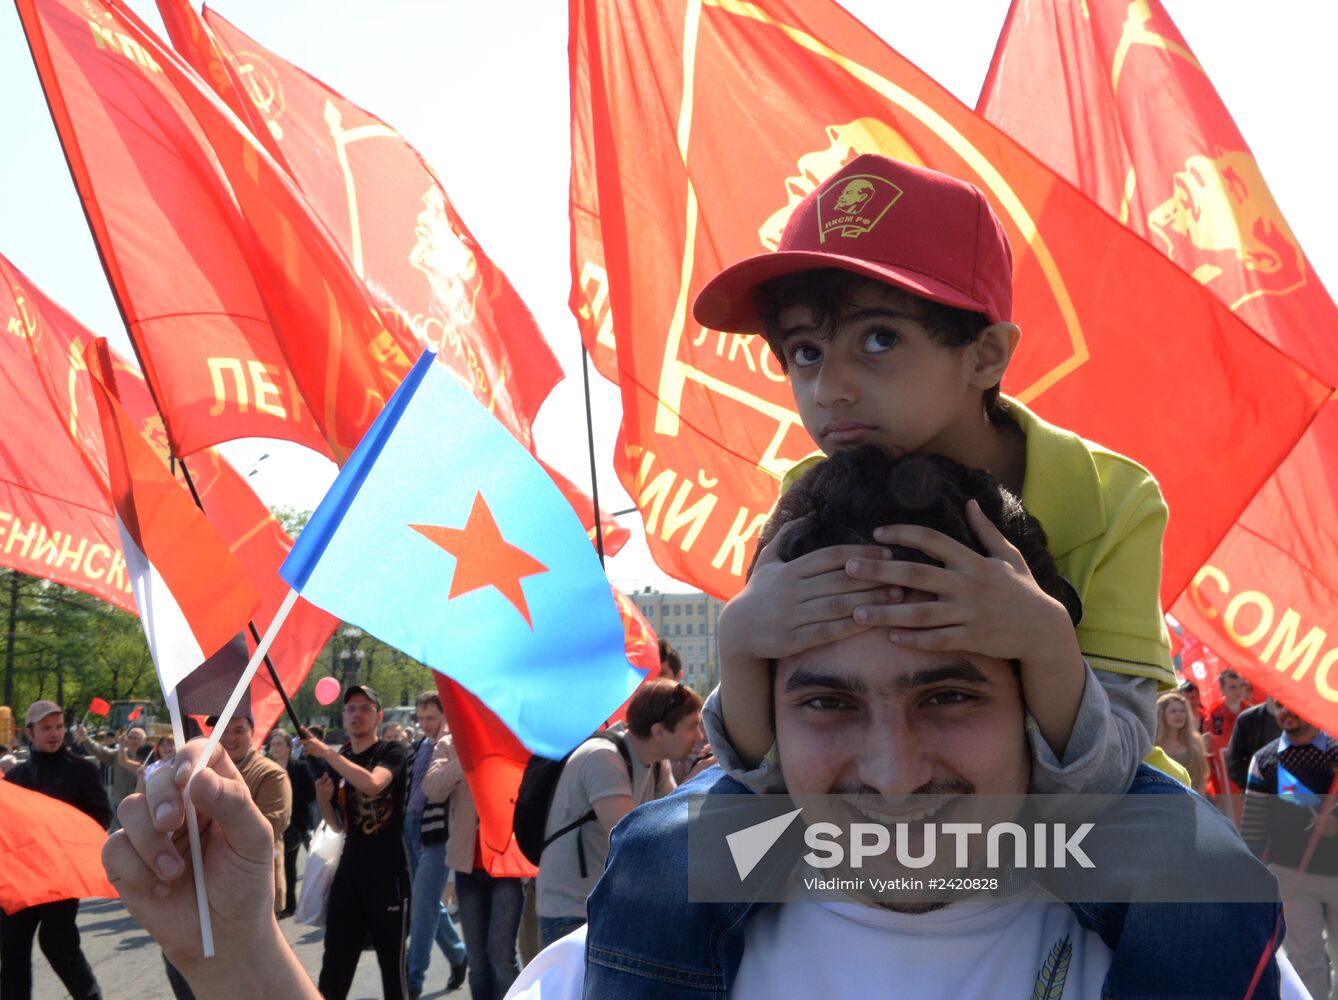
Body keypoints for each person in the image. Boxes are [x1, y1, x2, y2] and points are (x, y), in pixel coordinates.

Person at [508, 447, 1292, 998]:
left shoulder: (1218, 957)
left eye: (948, 698)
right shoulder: (602, 973)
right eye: (828, 703)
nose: (893, 772)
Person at [534, 679, 702, 947]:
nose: (700, 736)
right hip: (571, 912)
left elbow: (673, 828)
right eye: (692, 726)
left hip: (605, 904)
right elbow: (635, 842)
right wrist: (695, 783)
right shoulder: (602, 758)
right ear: (659, 731)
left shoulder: (657, 764)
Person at [303, 685, 410, 1000]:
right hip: (349, 875)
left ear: (377, 716)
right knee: (334, 965)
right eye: (350, 708)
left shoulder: (392, 751)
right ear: (343, 716)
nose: (357, 714)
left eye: (365, 708)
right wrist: (324, 802)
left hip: (388, 875)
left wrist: (325, 752)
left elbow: (374, 784)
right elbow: (339, 825)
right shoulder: (341, 758)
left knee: (393, 969)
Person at [2, 700, 111, 1000]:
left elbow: (102, 814)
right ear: (29, 733)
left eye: (59, 727)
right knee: (11, 947)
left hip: (59, 878)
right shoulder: (15, 778)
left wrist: (69, 840)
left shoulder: (83, 770)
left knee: (58, 943)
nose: (54, 733)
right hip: (22, 878)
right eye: (46, 728)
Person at [1242, 701, 1338, 1000]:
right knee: (1306, 966)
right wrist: (1252, 874)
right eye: (1278, 706)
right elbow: (1253, 823)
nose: (1285, 712)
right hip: (1292, 877)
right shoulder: (1265, 759)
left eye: (1291, 704)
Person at [423, 737, 525, 1000]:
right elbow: (432, 789)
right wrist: (466, 758)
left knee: (501, 954)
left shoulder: (510, 735)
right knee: (478, 963)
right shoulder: (449, 742)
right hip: (468, 865)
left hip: (506, 864)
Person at [404, 691, 468, 997]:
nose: (425, 723)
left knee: (422, 906)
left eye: (431, 717)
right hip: (411, 830)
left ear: (445, 716)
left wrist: (446, 733)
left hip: (438, 833)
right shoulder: (419, 747)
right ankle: (458, 954)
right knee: (429, 904)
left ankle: (412, 981)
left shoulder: (451, 745)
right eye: (421, 718)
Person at [266, 728, 315, 919]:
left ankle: (289, 904)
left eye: (279, 744)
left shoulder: (300, 767)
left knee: (288, 864)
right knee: (272, 865)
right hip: (272, 823)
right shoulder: (266, 768)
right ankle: (275, 902)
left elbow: (311, 793)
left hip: (295, 824)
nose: (275, 747)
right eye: (273, 744)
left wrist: (289, 800)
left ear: (288, 748)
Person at [1154, 692, 1209, 793]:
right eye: (1173, 711)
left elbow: (1201, 779)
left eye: (1182, 711)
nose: (1179, 715)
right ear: (1161, 714)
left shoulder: (1194, 742)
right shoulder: (1153, 744)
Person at [1228, 697, 1284, 790]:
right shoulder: (1247, 720)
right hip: (1261, 796)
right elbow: (1234, 762)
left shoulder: (1301, 718)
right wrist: (1254, 785)